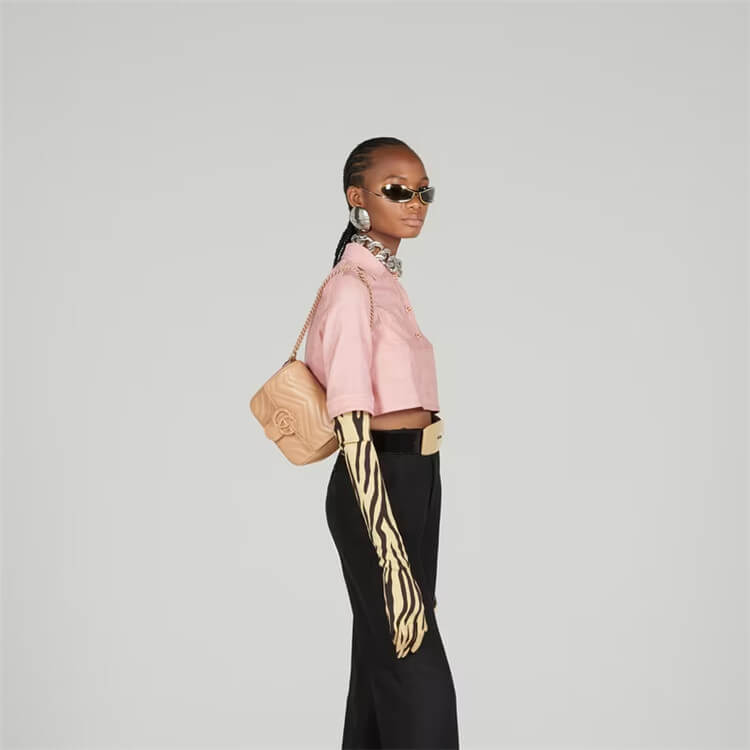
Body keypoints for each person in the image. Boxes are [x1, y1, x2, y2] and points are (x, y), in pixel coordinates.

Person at [305, 137, 460, 750]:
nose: (415, 203)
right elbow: (350, 423)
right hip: (376, 483)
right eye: (398, 190)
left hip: (418, 479)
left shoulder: (386, 283)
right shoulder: (351, 287)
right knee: (416, 673)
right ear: (358, 198)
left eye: (424, 191)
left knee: (381, 668)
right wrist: (390, 553)